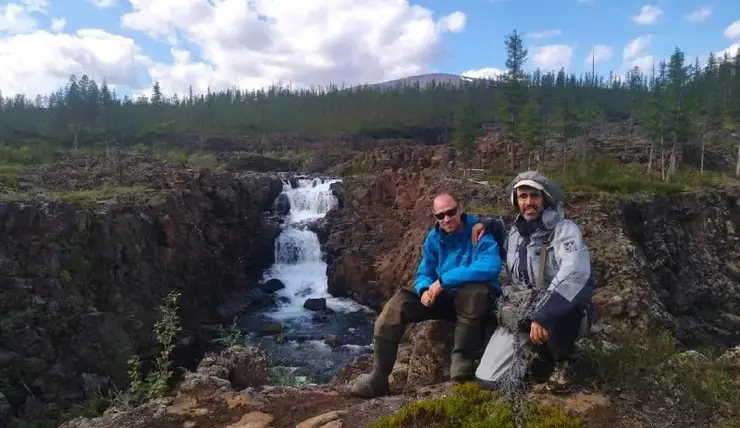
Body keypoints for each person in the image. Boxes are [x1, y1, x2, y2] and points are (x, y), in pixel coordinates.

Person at [348, 192, 503, 398]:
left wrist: (444, 281)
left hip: (477, 303)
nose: (446, 219)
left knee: (473, 292)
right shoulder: (434, 238)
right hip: (446, 298)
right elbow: (424, 272)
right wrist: (423, 290)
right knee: (398, 304)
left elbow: (490, 266)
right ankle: (378, 377)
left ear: (460, 209)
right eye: (440, 216)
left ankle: (462, 367)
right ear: (435, 216)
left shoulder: (479, 231)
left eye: (451, 212)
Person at [471, 171, 596, 393]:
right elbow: (503, 229)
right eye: (522, 196)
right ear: (516, 201)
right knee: (489, 380)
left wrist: (545, 314)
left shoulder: (564, 230)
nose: (528, 202)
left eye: (534, 196)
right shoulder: (516, 233)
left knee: (566, 304)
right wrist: (486, 223)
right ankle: (539, 352)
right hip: (525, 309)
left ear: (545, 198)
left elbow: (574, 273)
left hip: (559, 314)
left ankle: (564, 360)